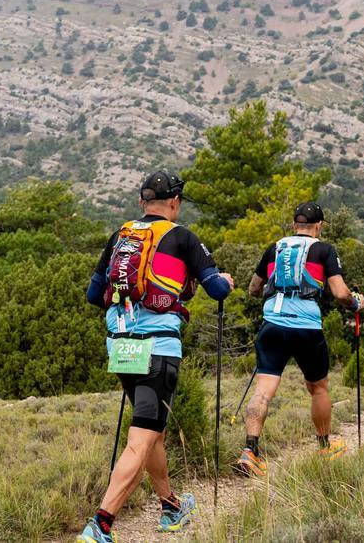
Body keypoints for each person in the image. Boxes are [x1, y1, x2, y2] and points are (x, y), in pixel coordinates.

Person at [77, 170, 234, 543]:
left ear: (141, 202)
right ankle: (101, 523)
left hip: (122, 347)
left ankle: (170, 506)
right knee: (141, 438)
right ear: (175, 203)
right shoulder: (182, 237)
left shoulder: (121, 236)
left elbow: (91, 294)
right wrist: (224, 281)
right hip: (158, 350)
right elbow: (214, 290)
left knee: (153, 433)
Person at [235, 202, 364, 478]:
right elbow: (340, 292)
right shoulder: (324, 250)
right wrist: (356, 304)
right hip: (306, 327)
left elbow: (253, 288)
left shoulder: (275, 248)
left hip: (272, 325)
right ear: (318, 226)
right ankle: (324, 446)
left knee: (263, 390)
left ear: (295, 224)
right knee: (318, 388)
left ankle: (250, 451)